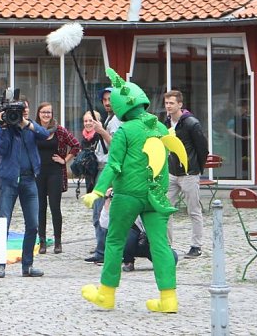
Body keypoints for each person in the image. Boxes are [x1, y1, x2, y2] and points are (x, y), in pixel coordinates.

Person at [82, 68, 188, 313]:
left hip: (128, 195)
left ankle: (106, 294)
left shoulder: (124, 132)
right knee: (160, 244)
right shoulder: (160, 127)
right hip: (155, 195)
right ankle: (169, 298)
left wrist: (97, 192)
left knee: (115, 240)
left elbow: (113, 165)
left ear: (120, 107)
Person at [0, 101, 49, 279]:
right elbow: (0, 149)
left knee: (33, 224)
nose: (21, 113)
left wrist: (26, 124)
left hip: (29, 179)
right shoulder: (6, 128)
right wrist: (3, 127)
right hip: (9, 181)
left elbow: (45, 134)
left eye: (25, 109)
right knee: (4, 224)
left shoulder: (30, 126)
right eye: (18, 111)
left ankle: (28, 265)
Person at [163, 89, 208, 258]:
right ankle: (167, 245)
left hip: (189, 173)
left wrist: (196, 169)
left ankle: (196, 246)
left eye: (171, 103)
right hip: (172, 172)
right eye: (166, 103)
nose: (168, 106)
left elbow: (202, 149)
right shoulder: (166, 122)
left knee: (194, 210)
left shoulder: (191, 123)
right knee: (165, 209)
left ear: (180, 104)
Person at [34, 102, 80, 255]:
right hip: (38, 173)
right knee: (40, 208)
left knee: (55, 207)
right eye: (43, 112)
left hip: (55, 172)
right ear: (38, 114)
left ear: (52, 114)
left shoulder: (59, 130)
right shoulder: (34, 129)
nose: (46, 115)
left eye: (49, 112)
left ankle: (58, 242)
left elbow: (75, 145)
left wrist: (65, 160)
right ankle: (42, 242)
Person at [97, 187, 178, 273]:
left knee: (173, 259)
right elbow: (105, 224)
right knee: (126, 233)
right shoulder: (120, 204)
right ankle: (128, 261)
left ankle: (157, 258)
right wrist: (107, 200)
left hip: (148, 242)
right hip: (129, 241)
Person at [86, 87, 121, 264]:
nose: (107, 103)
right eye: (105, 100)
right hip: (102, 166)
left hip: (109, 168)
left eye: (110, 99)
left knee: (102, 210)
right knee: (99, 210)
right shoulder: (109, 118)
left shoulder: (116, 121)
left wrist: (102, 132)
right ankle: (102, 249)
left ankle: (103, 252)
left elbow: (116, 145)